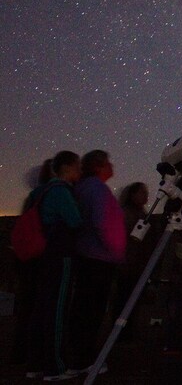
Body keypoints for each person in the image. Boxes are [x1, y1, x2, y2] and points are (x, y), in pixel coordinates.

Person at [69, 150, 127, 375]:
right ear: (99, 166)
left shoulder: (83, 188)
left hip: (88, 256)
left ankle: (79, 356)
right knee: (91, 311)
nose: (112, 166)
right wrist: (116, 252)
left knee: (83, 309)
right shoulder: (97, 189)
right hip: (99, 259)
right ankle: (85, 359)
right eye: (108, 162)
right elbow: (102, 223)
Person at [26, 151, 82, 381]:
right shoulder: (60, 192)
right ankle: (55, 367)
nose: (80, 171)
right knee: (57, 311)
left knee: (42, 309)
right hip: (59, 257)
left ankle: (35, 364)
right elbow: (75, 221)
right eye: (77, 167)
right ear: (67, 168)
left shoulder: (39, 192)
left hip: (42, 257)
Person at [11, 158, 56, 367]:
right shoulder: (51, 193)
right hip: (43, 257)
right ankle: (35, 355)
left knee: (27, 306)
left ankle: (20, 353)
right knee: (40, 307)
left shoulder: (33, 196)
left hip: (28, 258)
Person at [112, 182, 150, 340]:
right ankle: (122, 334)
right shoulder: (127, 214)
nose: (145, 196)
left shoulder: (141, 214)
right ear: (132, 195)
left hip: (136, 264)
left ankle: (126, 333)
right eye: (142, 193)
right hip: (127, 264)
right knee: (124, 300)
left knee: (131, 301)